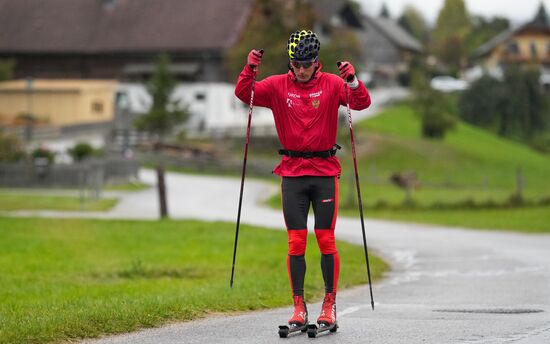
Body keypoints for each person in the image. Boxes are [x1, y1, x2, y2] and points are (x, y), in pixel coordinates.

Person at [234, 30, 371, 328]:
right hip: (292, 173)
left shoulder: (333, 85)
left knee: (325, 239)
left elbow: (361, 103)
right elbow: (246, 94)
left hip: (324, 173)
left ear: (316, 61)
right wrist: (250, 69)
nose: (300, 69)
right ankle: (298, 307)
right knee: (296, 242)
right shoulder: (277, 86)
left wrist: (352, 81)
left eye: (306, 63)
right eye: (295, 63)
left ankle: (329, 305)